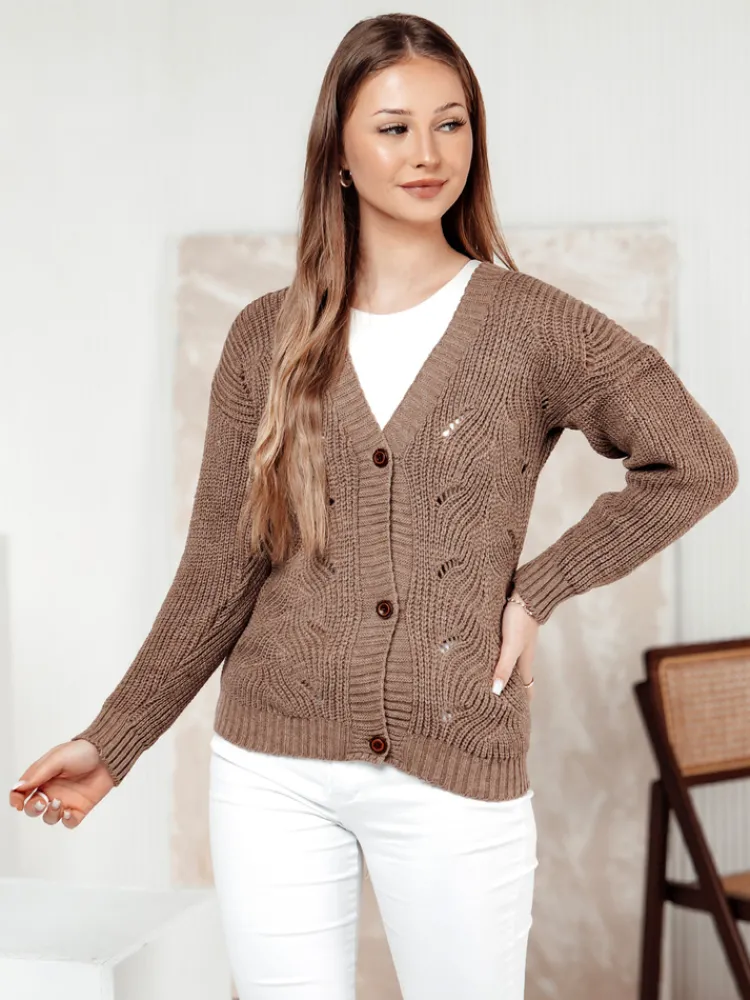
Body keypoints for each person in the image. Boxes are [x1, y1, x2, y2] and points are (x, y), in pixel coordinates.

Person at [7, 13, 739, 1000]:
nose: (428, 153)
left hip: (456, 753)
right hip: (272, 767)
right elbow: (220, 570)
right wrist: (116, 737)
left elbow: (696, 460)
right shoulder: (266, 336)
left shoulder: (532, 326)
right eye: (394, 128)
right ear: (340, 153)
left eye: (451, 123)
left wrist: (538, 590)